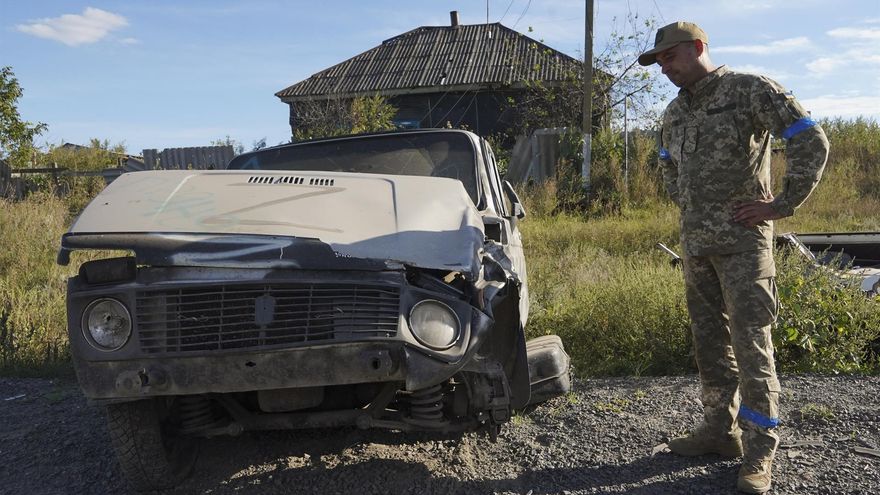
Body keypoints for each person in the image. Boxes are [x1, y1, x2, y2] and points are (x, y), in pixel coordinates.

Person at [637, 21, 829, 494]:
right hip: (697, 248)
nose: (664, 67)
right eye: (658, 61)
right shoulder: (674, 112)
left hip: (745, 247)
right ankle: (718, 433)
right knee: (710, 348)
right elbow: (666, 161)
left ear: (698, 48)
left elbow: (811, 140)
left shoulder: (749, 91)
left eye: (670, 57)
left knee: (751, 349)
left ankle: (759, 452)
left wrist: (780, 205)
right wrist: (687, 203)